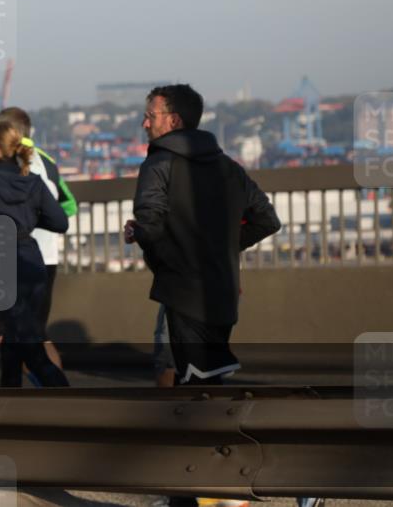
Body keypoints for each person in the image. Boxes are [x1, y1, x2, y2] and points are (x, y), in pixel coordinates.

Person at [123, 85, 280, 507]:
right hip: (223, 292)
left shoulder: (159, 163)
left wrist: (170, 261)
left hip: (184, 292)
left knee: (195, 392)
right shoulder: (228, 165)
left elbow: (150, 224)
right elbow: (267, 219)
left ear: (173, 120)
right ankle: (210, 489)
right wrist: (221, 251)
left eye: (150, 114)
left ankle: (206, 491)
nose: (144, 122)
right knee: (210, 383)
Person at [0, 120, 70, 388]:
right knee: (13, 342)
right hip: (32, 260)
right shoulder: (32, 181)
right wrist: (25, 221)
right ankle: (8, 401)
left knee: (30, 348)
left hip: (3, 264)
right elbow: (60, 222)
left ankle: (70, 400)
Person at [0, 107, 76, 374]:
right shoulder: (47, 161)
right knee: (36, 332)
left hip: (17, 257)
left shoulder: (6, 163)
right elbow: (70, 205)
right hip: (48, 257)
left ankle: (42, 387)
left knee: (5, 332)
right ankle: (54, 386)